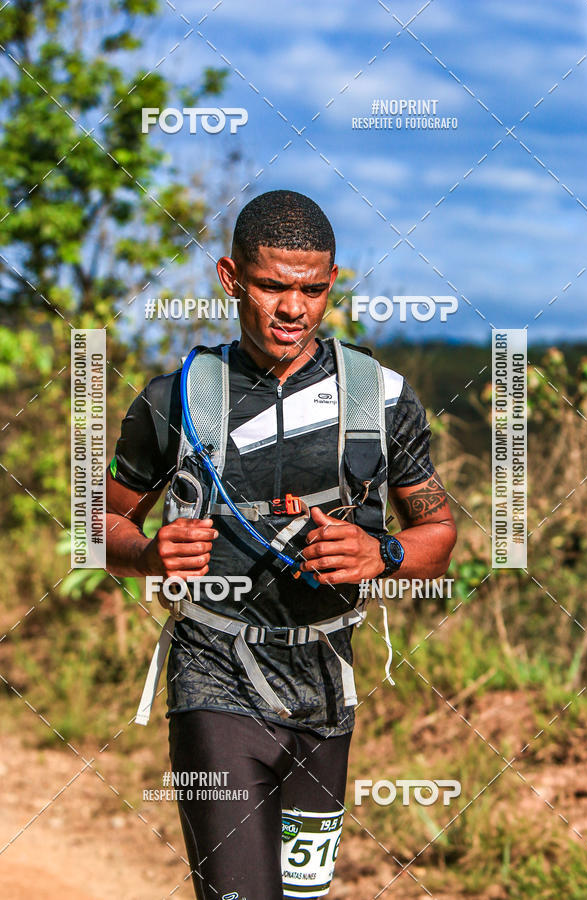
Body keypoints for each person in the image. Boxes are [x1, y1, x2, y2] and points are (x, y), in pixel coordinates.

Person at [105, 189, 457, 899]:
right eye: (271, 286)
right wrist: (145, 556)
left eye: (311, 289)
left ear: (331, 284)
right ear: (232, 279)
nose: (292, 309)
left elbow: (439, 535)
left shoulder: (381, 398)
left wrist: (381, 556)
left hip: (327, 684)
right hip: (215, 671)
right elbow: (100, 521)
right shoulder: (175, 399)